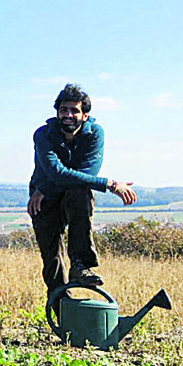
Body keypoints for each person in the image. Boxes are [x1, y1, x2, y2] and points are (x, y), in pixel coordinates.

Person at [28, 83, 135, 292]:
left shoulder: (95, 133)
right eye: (63, 110)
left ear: (85, 115)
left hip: (52, 191)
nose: (68, 115)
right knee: (53, 262)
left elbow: (86, 175)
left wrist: (47, 186)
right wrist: (110, 185)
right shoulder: (43, 134)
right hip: (43, 199)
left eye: (74, 110)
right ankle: (61, 312)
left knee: (80, 193)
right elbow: (56, 172)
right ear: (57, 112)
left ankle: (80, 264)